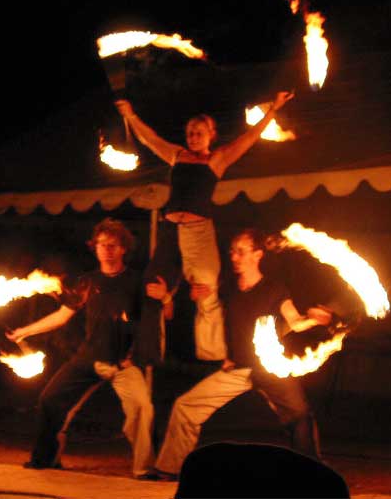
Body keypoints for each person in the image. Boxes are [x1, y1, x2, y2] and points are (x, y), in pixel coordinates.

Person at [115, 92, 294, 366]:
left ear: (211, 135)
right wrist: (130, 115)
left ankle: (218, 354)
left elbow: (248, 139)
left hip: (199, 233)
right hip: (171, 231)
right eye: (189, 132)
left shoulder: (217, 159)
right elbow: (150, 139)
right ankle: (145, 354)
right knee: (152, 285)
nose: (193, 137)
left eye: (199, 132)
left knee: (207, 288)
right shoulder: (177, 155)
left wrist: (272, 111)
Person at [150, 227, 333, 480]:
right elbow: (215, 317)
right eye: (232, 251)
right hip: (237, 368)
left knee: (300, 414)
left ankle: (312, 473)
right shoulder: (228, 288)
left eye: (241, 251)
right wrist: (197, 297)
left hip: (268, 368)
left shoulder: (274, 288)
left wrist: (313, 320)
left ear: (257, 255)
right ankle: (169, 469)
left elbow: (295, 321)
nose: (234, 257)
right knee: (185, 407)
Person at [5, 218, 156, 479]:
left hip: (123, 363)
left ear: (123, 249)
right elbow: (63, 315)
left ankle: (144, 469)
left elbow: (151, 324)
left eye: (112, 245)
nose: (106, 250)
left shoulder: (135, 282)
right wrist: (25, 331)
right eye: (101, 245)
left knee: (142, 408)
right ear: (94, 248)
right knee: (50, 399)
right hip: (89, 358)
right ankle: (46, 460)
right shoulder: (88, 282)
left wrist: (135, 357)